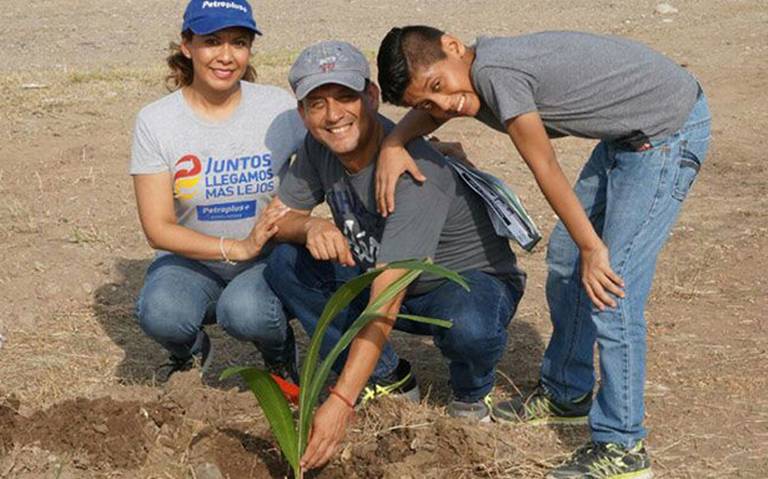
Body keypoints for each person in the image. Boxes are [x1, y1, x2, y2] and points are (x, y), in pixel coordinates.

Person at [375, 26, 711, 479]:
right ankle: (566, 393)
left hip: (665, 134)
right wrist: (395, 142)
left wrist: (595, 247)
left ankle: (623, 447)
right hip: (624, 139)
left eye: (439, 87)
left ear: (454, 46)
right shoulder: (470, 76)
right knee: (567, 261)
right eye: (426, 102)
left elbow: (545, 166)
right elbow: (436, 111)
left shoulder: (495, 73)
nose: (445, 105)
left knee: (612, 286)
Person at [263, 40, 526, 470]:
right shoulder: (317, 148)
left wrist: (341, 402)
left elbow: (386, 299)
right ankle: (389, 376)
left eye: (346, 97)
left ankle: (471, 391)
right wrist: (310, 225)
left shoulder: (415, 171)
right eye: (317, 104)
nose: (333, 115)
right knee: (287, 264)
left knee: (471, 326)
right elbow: (282, 218)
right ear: (302, 114)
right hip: (383, 276)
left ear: (371, 96)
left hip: (460, 283)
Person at [129, 0, 306, 382]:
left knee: (246, 310)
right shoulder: (157, 121)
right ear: (187, 46)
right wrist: (235, 247)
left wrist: (399, 144)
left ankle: (278, 358)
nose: (226, 56)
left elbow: (339, 142)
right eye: (212, 41)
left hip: (266, 258)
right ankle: (191, 356)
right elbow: (158, 228)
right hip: (193, 261)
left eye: (239, 43)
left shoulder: (279, 108)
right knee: (161, 311)